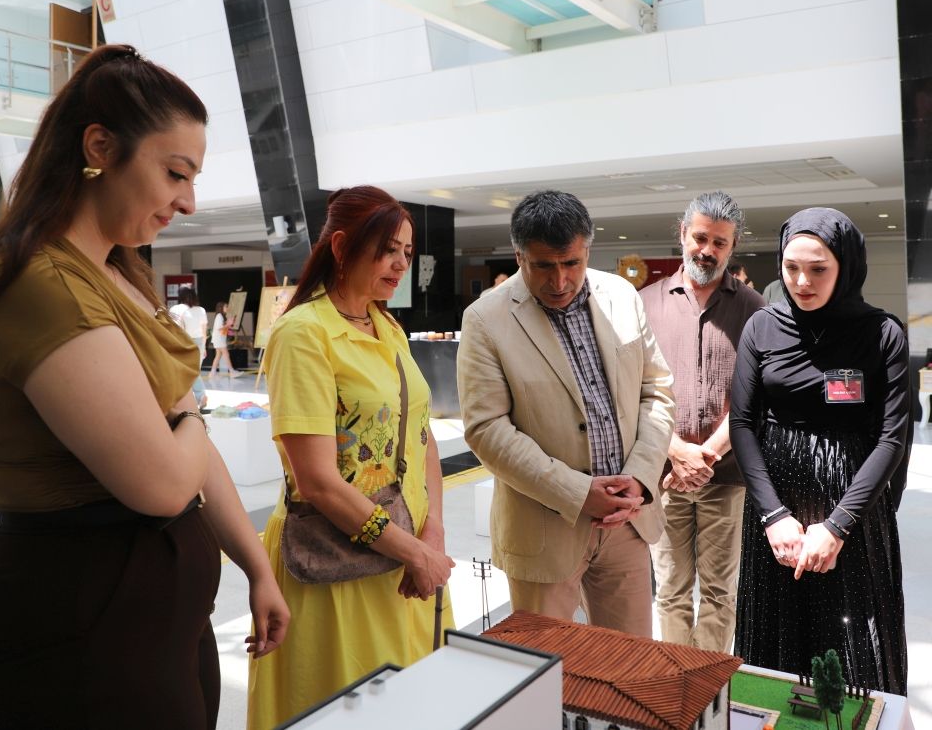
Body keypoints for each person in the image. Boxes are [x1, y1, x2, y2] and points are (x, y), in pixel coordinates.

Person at [0, 44, 289, 728]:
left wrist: (256, 566)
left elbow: (186, 450)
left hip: (155, 629)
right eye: (175, 173)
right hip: (83, 637)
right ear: (100, 147)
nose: (188, 201)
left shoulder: (116, 272)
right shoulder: (40, 282)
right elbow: (163, 482)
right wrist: (191, 415)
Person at [247, 185, 455, 728]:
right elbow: (316, 481)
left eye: (407, 252)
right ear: (341, 247)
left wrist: (430, 536)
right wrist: (413, 550)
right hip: (333, 564)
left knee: (409, 708)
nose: (401, 264)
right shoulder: (303, 333)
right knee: (346, 709)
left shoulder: (386, 325)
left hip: (405, 558)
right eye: (387, 250)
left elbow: (422, 435)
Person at [457, 190, 674, 636]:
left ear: (587, 250)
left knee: (630, 664)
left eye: (571, 263)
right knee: (547, 664)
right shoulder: (485, 319)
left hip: (627, 521)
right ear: (519, 255)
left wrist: (639, 477)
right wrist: (576, 493)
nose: (559, 281)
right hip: (543, 529)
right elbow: (486, 429)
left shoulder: (621, 295)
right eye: (543, 266)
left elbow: (656, 391)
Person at [730, 208, 909, 693]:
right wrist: (774, 517)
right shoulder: (761, 327)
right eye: (791, 268)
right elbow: (743, 424)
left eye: (818, 269)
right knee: (776, 634)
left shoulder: (882, 334)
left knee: (854, 643)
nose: (802, 281)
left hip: (853, 509)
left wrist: (836, 527)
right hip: (776, 510)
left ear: (845, 267)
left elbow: (891, 437)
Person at [640, 192, 764, 653]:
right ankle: (677, 681)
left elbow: (756, 398)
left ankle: (707, 684)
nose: (707, 250)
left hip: (725, 476)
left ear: (733, 246)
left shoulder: (755, 310)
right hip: (664, 475)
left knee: (719, 593)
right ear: (682, 234)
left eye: (719, 242)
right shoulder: (646, 303)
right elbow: (631, 392)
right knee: (670, 591)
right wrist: (676, 451)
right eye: (700, 238)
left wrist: (704, 456)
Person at [170, 285, 208, 408]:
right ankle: (198, 397)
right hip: (199, 342)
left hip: (184, 340)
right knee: (194, 371)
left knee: (186, 372)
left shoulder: (176, 309)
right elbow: (204, 332)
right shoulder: (201, 310)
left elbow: (175, 329)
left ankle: (199, 396)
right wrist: (204, 348)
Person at [208, 300, 241, 378]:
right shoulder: (219, 316)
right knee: (226, 354)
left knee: (218, 355)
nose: (227, 308)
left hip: (219, 339)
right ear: (221, 308)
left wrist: (229, 324)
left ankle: (212, 373)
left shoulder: (221, 316)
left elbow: (223, 328)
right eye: (226, 306)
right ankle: (232, 371)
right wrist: (228, 324)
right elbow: (220, 328)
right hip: (219, 339)